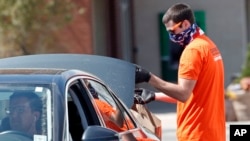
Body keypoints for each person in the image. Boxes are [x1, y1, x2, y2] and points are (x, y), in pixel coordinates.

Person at [135, 3, 225, 141]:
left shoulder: (192, 51)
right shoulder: (208, 45)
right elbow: (193, 94)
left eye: (172, 31)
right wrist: (154, 96)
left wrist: (148, 77)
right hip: (212, 133)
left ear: (185, 24)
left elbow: (183, 93)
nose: (171, 37)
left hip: (196, 134)